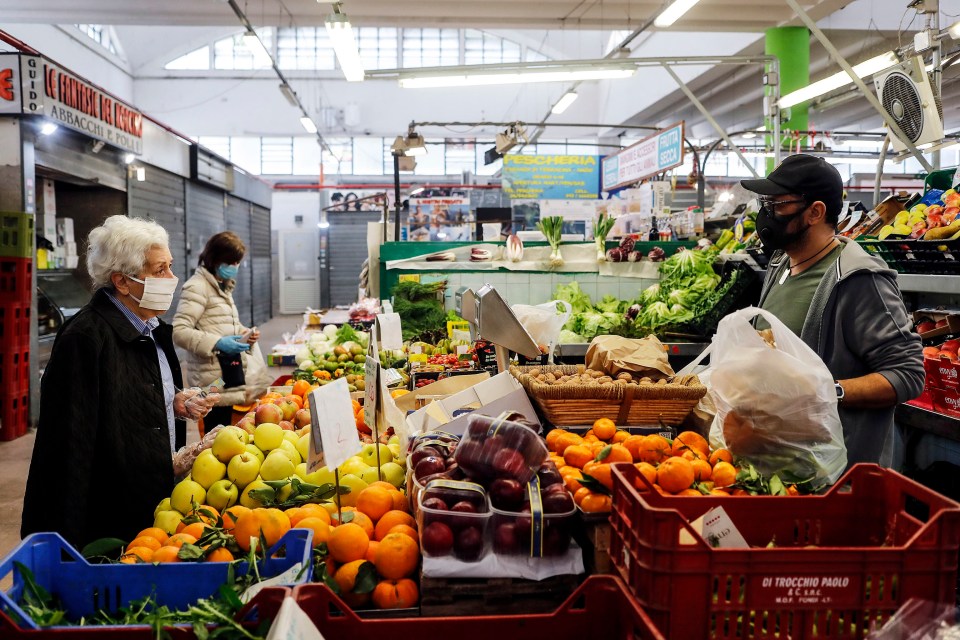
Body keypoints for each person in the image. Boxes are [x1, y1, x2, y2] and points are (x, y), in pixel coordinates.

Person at [21, 215, 217, 548]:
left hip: (153, 502)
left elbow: (127, 393)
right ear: (122, 282)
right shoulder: (85, 338)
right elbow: (70, 446)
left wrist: (173, 400)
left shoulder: (152, 328)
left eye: (170, 267)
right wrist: (63, 545)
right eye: (159, 271)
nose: (172, 278)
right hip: (110, 519)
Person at [741, 154, 924, 468]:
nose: (766, 214)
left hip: (832, 478)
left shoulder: (858, 278)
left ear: (814, 212)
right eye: (764, 203)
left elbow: (907, 374)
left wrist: (825, 390)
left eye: (777, 204)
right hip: (776, 462)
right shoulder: (781, 264)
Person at [173, 232, 269, 433]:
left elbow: (218, 323)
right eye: (231, 262)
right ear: (215, 259)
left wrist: (244, 333)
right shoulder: (197, 287)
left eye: (237, 262)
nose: (235, 267)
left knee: (228, 431)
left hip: (226, 373)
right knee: (214, 433)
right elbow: (179, 331)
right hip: (211, 379)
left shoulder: (221, 286)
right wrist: (217, 343)